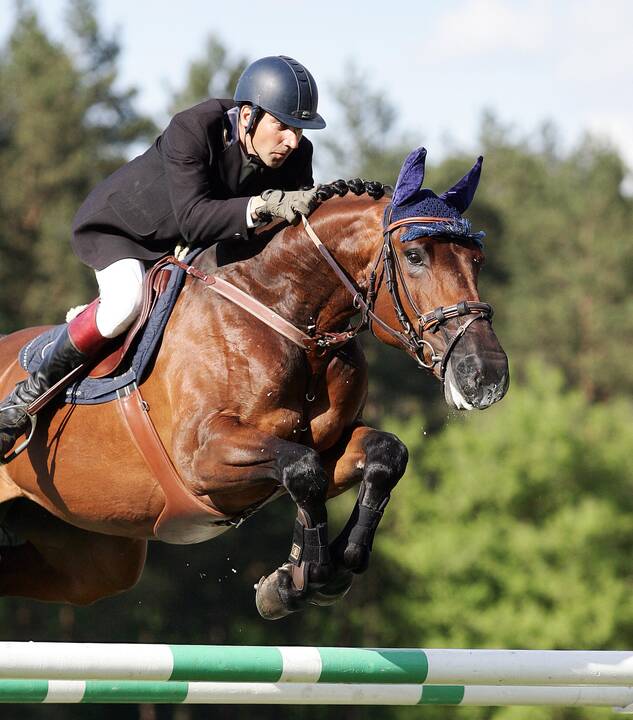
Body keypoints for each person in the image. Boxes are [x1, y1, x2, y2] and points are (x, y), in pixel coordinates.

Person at [0, 55, 326, 459]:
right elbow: (193, 219)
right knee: (125, 304)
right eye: (282, 127)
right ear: (247, 116)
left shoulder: (296, 152)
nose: (292, 142)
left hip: (183, 247)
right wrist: (262, 204)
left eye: (298, 130)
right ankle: (21, 401)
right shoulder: (194, 128)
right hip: (122, 229)